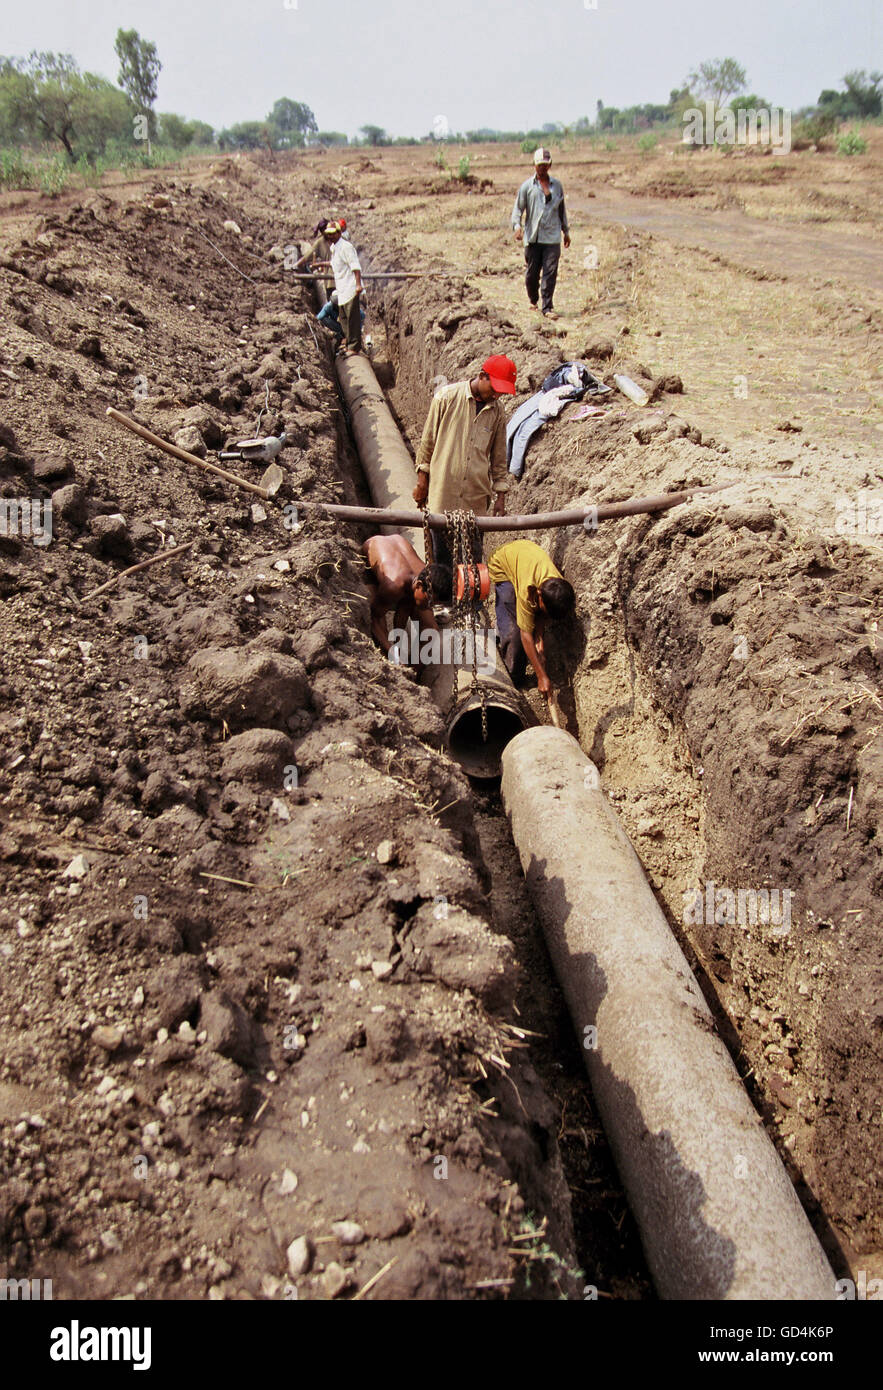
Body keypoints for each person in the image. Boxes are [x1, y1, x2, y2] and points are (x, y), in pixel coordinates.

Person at [412, 354, 517, 568]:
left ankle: (472, 601)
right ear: (481, 376)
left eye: (501, 391)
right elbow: (427, 443)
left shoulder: (497, 412)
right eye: (494, 388)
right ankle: (442, 599)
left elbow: (498, 457)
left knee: (472, 564)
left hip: (475, 499)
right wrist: (422, 482)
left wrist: (500, 496)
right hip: (443, 494)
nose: (497, 395)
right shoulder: (446, 397)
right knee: (441, 560)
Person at [487, 539, 575, 696]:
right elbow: (525, 634)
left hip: (524, 554)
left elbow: (541, 614)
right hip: (501, 564)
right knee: (513, 630)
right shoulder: (526, 593)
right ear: (539, 595)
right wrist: (541, 676)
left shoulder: (555, 583)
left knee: (528, 623)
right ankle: (514, 678)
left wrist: (539, 640)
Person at [362, 535, 452, 656]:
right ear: (419, 586)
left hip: (398, 547)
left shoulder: (422, 578)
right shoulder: (393, 586)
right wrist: (391, 651)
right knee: (382, 645)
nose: (430, 607)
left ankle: (413, 670)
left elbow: (404, 609)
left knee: (431, 631)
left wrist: (399, 643)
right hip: (369, 562)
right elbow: (373, 619)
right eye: (430, 601)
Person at [511, 148, 571, 319]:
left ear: (550, 165)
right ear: (534, 166)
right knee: (532, 274)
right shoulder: (527, 187)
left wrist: (566, 231)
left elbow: (561, 210)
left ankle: (547, 307)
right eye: (539, 165)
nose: (542, 168)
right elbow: (518, 209)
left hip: (552, 237)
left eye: (545, 165)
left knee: (550, 272)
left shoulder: (557, 186)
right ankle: (533, 299)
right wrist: (517, 226)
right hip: (533, 237)